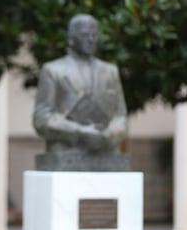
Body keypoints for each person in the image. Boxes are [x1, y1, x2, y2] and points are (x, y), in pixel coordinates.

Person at [33, 14, 127, 154]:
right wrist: (79, 132)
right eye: (85, 35)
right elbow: (42, 119)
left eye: (94, 35)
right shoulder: (53, 71)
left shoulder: (110, 71)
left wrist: (110, 134)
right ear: (71, 39)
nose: (91, 40)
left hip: (106, 151)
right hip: (67, 151)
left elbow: (120, 116)